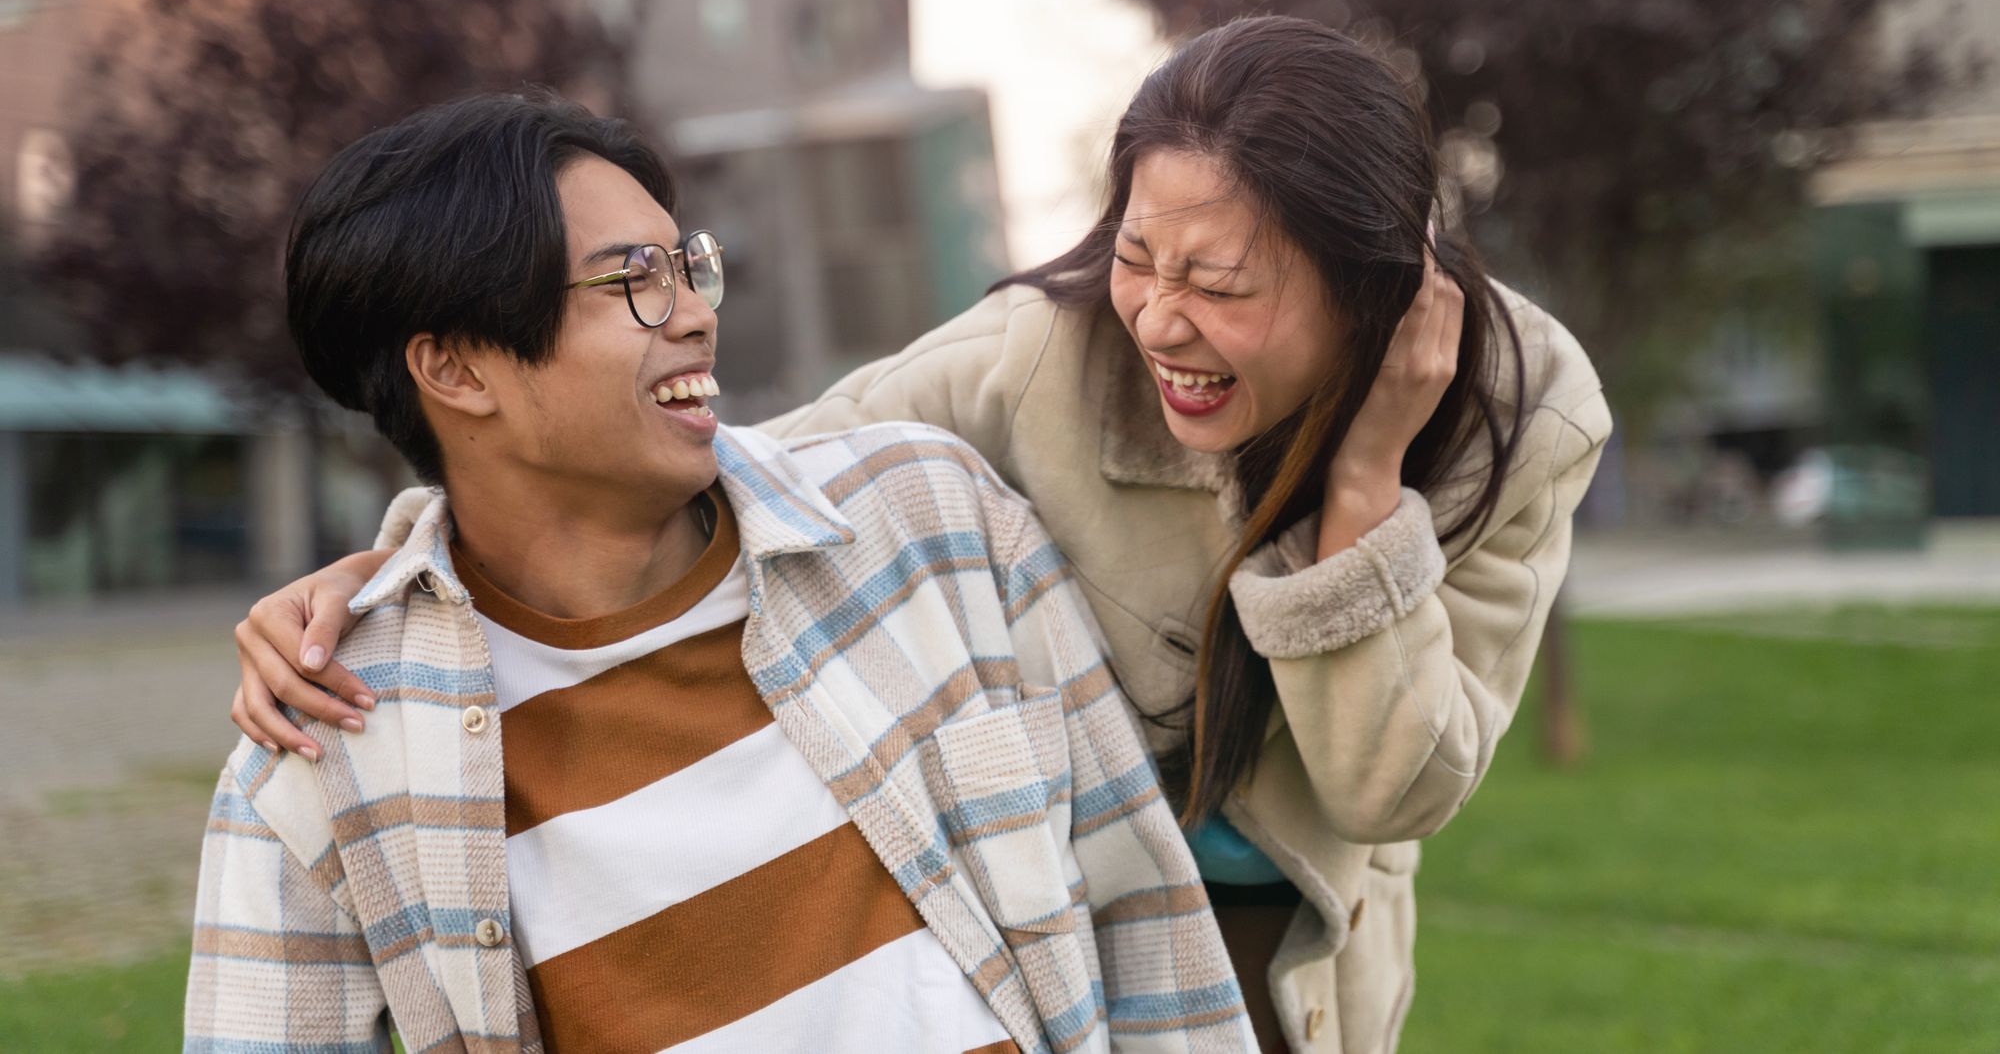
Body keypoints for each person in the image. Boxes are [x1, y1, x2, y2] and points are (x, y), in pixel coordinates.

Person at [230, 16, 1612, 1053]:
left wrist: (1367, 483)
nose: (1162, 319)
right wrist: (411, 563)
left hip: (1276, 937)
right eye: (1139, 256)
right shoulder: (1036, 365)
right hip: (1032, 890)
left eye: (1223, 283)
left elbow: (1394, 794)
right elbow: (741, 471)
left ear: (1373, 288)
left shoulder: (1522, 417)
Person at [186, 94, 1252, 1053]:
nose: (694, 309)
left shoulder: (930, 523)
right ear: (456, 369)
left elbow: (1148, 934)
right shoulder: (323, 749)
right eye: (632, 282)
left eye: (687, 264)